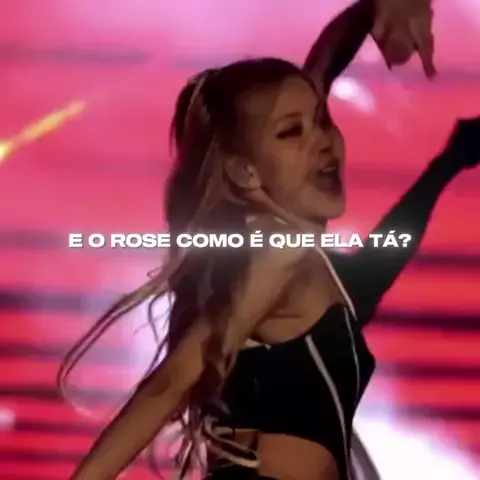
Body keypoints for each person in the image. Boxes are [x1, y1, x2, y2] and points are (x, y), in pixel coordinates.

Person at [58, 0, 480, 479]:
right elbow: (171, 381)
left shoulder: (293, 250)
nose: (322, 140)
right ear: (245, 172)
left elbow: (321, 67)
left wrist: (371, 12)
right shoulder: (277, 253)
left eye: (323, 120)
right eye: (291, 133)